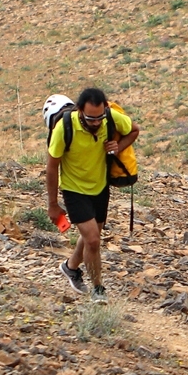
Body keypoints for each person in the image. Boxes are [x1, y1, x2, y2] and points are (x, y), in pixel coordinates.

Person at [48, 87, 140, 302]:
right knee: (93, 240)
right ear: (80, 110)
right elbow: (52, 166)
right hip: (73, 189)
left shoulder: (110, 117)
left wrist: (118, 147)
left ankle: (70, 267)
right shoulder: (65, 127)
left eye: (99, 118)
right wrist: (52, 204)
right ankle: (98, 289)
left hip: (100, 188)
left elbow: (134, 130)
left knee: (91, 238)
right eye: (90, 118)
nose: (96, 123)